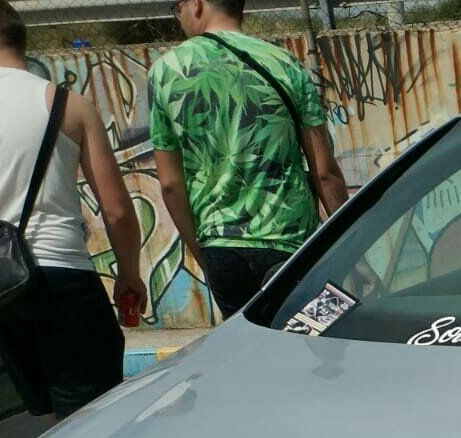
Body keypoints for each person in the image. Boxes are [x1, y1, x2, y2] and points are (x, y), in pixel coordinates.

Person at [0, 0, 145, 422]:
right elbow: (117, 211)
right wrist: (129, 274)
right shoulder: (70, 105)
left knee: (50, 418)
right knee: (93, 417)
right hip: (63, 276)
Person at [150, 0, 349, 320]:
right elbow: (325, 173)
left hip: (221, 246)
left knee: (246, 347)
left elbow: (171, 184)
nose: (179, 16)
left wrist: (205, 255)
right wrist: (350, 246)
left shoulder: (165, 72)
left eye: (178, 7)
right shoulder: (284, 63)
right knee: (315, 340)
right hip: (290, 242)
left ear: (197, 4)